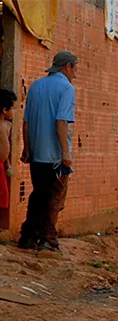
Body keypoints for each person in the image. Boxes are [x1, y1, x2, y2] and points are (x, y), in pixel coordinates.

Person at [19, 51, 78, 252]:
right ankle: (48, 240)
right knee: (54, 198)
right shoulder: (67, 88)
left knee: (38, 195)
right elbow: (61, 121)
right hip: (55, 156)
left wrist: (27, 148)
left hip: (36, 153)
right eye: (75, 69)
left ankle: (28, 237)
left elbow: (26, 122)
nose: (75, 74)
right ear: (67, 67)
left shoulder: (36, 86)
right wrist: (65, 153)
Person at [0, 89, 17, 213]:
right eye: (13, 108)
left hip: (1, 165)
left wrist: (7, 165)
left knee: (2, 195)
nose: (14, 112)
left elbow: (6, 147)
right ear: (5, 110)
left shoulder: (7, 125)